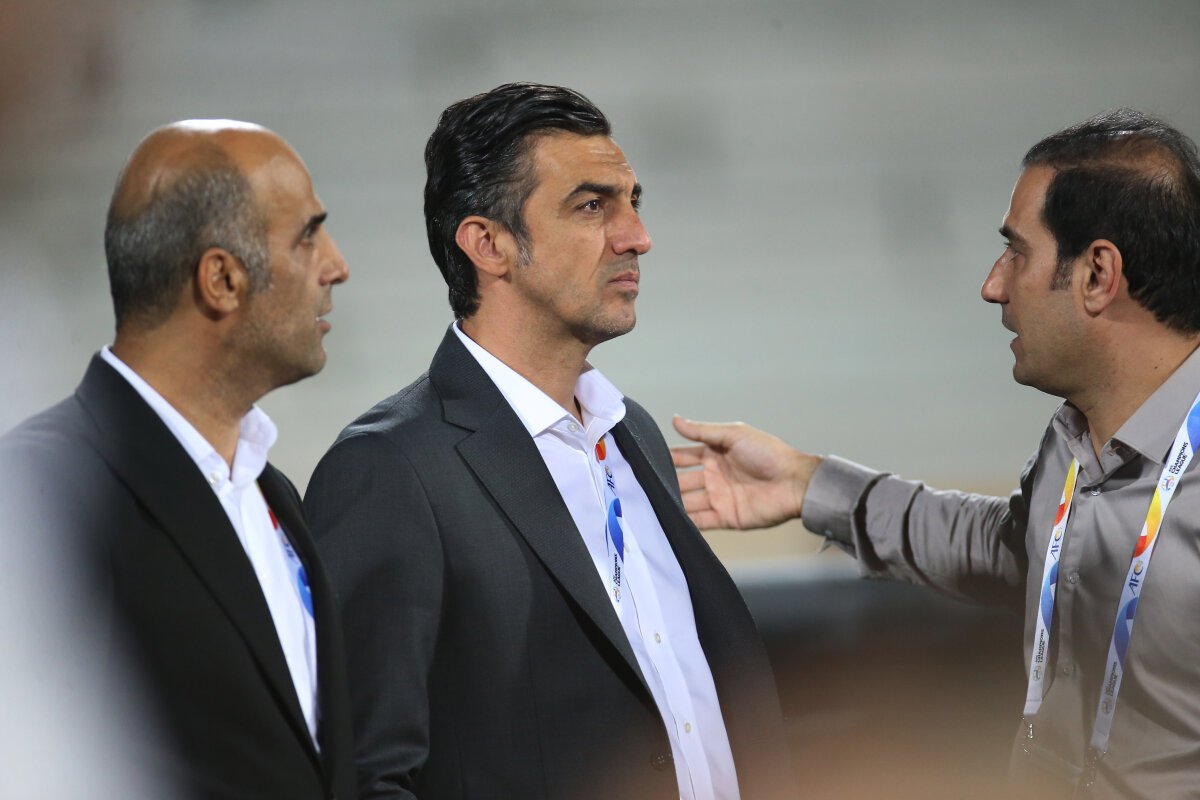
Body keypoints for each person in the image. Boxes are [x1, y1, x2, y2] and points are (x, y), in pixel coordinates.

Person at [671, 108, 1200, 799]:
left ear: (1098, 274)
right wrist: (806, 483)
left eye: (1017, 252)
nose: (993, 285)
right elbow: (1013, 550)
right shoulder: (1075, 439)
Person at [305, 83, 794, 800]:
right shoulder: (390, 469)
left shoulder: (633, 434)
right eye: (592, 206)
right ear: (489, 244)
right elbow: (367, 776)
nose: (636, 236)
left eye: (633, 202)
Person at [0, 120, 355, 800]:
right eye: (308, 235)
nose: (336, 265)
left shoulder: (273, 494)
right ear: (221, 279)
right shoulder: (47, 492)